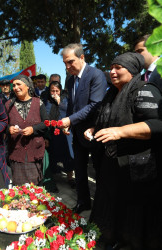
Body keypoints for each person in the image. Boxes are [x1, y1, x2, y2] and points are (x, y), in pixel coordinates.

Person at [87, 52, 162, 249]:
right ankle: (110, 238)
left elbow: (160, 124)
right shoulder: (111, 94)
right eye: (111, 67)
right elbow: (109, 121)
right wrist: (94, 130)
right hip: (111, 165)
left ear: (132, 70)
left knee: (132, 218)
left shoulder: (143, 90)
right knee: (109, 210)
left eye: (118, 67)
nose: (112, 71)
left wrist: (121, 132)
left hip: (134, 169)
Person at [59, 43, 107, 214]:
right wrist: (69, 125)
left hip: (94, 132)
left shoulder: (96, 75)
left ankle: (102, 208)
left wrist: (69, 120)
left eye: (70, 62)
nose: (67, 66)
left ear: (82, 57)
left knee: (100, 173)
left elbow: (95, 105)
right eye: (65, 63)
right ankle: (83, 202)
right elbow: (72, 104)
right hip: (77, 133)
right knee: (79, 170)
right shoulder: (70, 79)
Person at [5, 75, 49, 186]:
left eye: (19, 84)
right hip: (16, 151)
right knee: (19, 186)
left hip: (34, 150)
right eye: (14, 85)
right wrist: (8, 129)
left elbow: (46, 123)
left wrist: (33, 129)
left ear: (28, 86)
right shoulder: (8, 105)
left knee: (35, 186)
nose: (15, 87)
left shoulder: (38, 103)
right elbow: (2, 124)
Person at [44, 81, 75, 189]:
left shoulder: (65, 99)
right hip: (52, 133)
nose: (55, 93)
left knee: (68, 155)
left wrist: (60, 103)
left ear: (60, 91)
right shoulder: (47, 101)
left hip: (65, 133)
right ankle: (53, 178)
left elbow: (71, 113)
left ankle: (70, 178)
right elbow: (44, 117)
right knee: (53, 154)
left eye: (57, 91)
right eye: (53, 90)